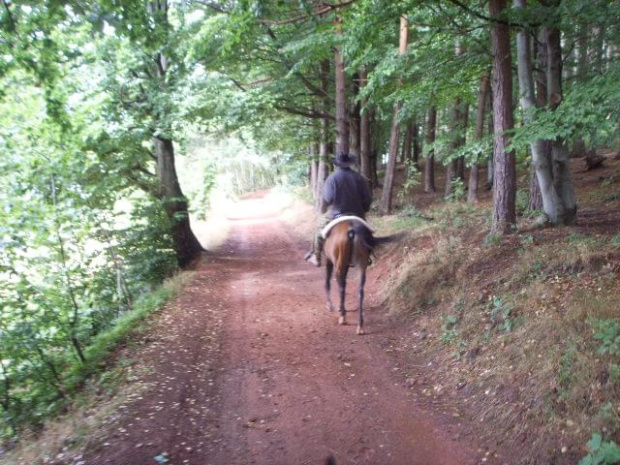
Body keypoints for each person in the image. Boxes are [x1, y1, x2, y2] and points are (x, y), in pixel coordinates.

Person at [305, 152, 373, 266]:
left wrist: (323, 209)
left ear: (337, 164)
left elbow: (328, 198)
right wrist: (364, 210)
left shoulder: (332, 178)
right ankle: (367, 256)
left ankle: (316, 255)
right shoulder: (359, 178)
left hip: (337, 214)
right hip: (357, 214)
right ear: (350, 163)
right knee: (369, 234)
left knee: (319, 230)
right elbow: (367, 198)